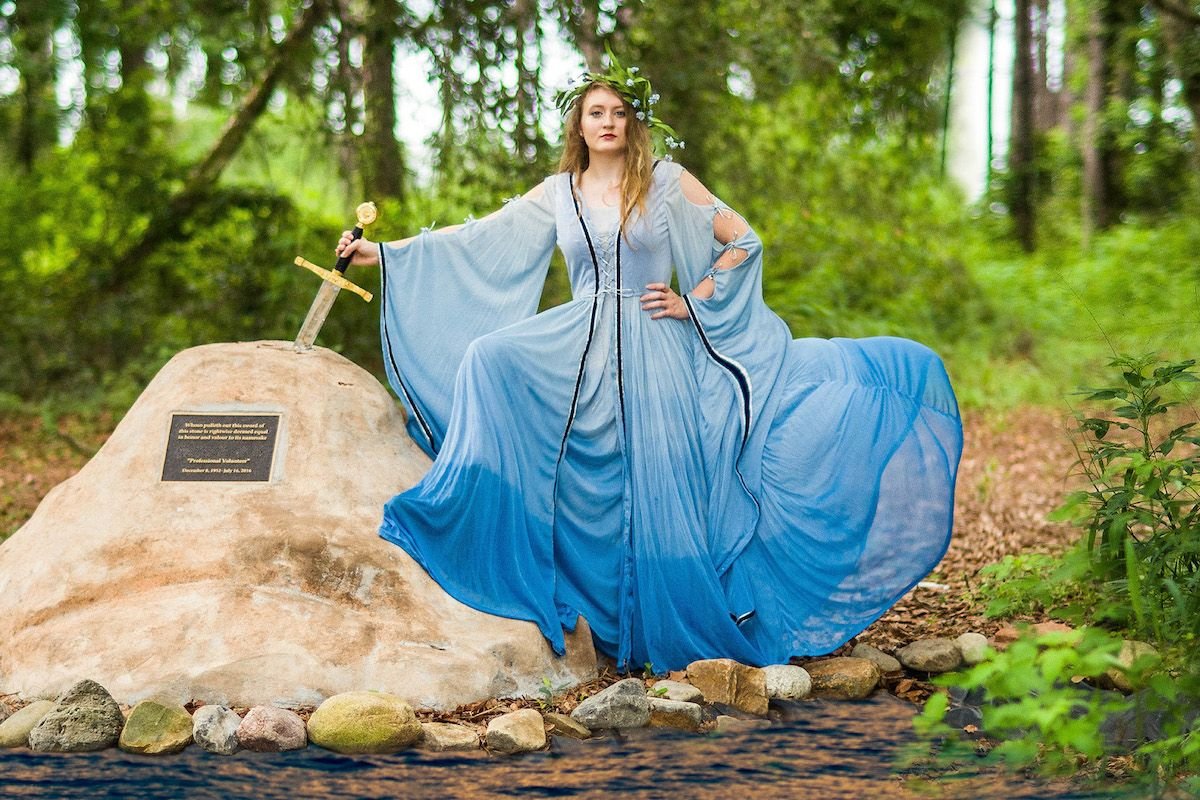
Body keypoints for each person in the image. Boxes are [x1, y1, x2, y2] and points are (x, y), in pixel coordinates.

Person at [335, 53, 963, 672]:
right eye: (595, 113)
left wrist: (695, 301)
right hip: (580, 338)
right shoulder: (559, 192)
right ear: (579, 125)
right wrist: (384, 253)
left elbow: (743, 240)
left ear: (633, 123)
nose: (607, 122)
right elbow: (478, 238)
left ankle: (663, 623)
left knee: (656, 478)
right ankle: (506, 539)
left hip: (654, 340)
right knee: (488, 357)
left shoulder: (666, 181)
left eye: (618, 112)